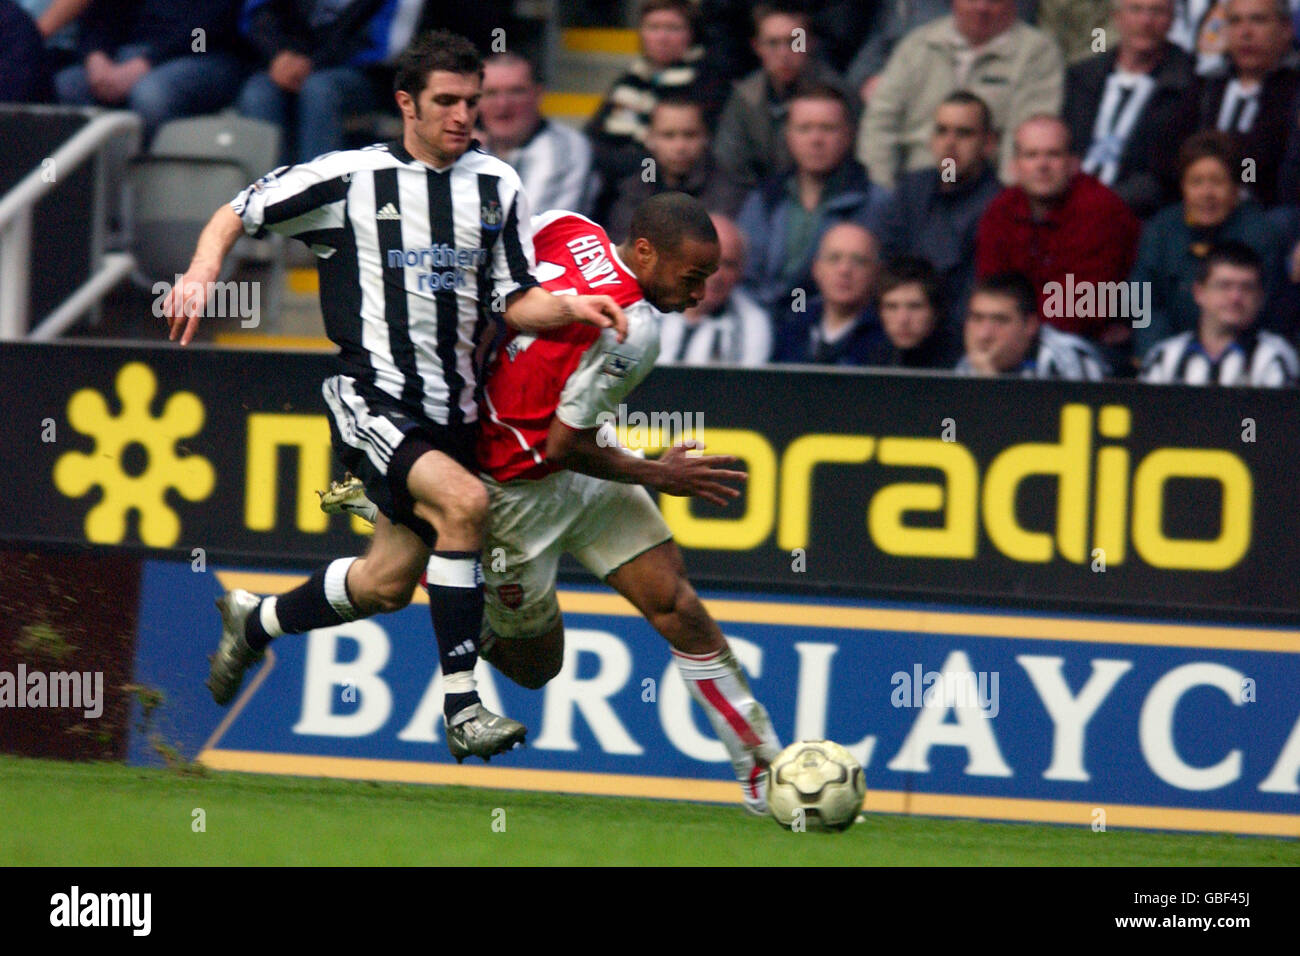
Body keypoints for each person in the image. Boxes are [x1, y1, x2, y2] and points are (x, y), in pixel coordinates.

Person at [161, 31, 630, 763]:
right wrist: (199, 270)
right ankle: (464, 706)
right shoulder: (348, 178)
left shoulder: (497, 186)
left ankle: (254, 622)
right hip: (371, 396)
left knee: (385, 584)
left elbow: (516, 300)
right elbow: (238, 210)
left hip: (457, 414)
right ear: (406, 103)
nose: (462, 116)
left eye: (472, 102)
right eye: (446, 101)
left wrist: (571, 307)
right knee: (465, 505)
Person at [325, 194, 783, 812]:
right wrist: (660, 474)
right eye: (693, 277)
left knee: (677, 605)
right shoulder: (636, 329)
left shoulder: (570, 228)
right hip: (516, 496)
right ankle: (449, 562)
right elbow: (563, 444)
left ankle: (763, 772)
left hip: (580, 467)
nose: (700, 294)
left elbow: (492, 278)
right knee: (537, 668)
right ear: (645, 251)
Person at [858, 0, 1064, 189]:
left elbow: (1028, 138)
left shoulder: (1038, 53)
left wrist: (1004, 200)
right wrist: (882, 187)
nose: (982, 7)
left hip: (986, 188)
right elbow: (880, 123)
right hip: (912, 182)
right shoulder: (917, 44)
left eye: (993, 0)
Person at [976, 116, 1142, 347]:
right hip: (1012, 337)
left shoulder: (1103, 210)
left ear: (1074, 163)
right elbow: (992, 289)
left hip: (1088, 342)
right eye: (1031, 155)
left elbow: (1084, 307)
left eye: (1053, 154)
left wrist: (1016, 324)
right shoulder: (1000, 210)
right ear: (1014, 166)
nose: (1042, 165)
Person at [737, 83, 890, 313]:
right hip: (763, 322)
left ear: (849, 135)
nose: (816, 139)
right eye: (804, 129)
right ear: (788, 135)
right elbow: (743, 274)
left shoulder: (878, 203)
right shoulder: (764, 199)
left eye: (828, 128)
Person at [1130, 129, 1284, 356]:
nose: (1206, 193)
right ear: (1182, 186)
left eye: (1217, 182)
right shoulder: (1160, 230)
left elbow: (1263, 311)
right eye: (1196, 182)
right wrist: (1156, 354)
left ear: (1235, 188)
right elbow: (1142, 301)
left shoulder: (1260, 235)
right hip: (1167, 360)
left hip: (1239, 358)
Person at [237, 0, 423, 166]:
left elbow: (391, 44)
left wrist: (312, 64)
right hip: (287, 61)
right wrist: (278, 54)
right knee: (258, 92)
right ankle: (261, 194)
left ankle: (317, 193)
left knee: (320, 91)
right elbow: (259, 13)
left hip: (367, 74)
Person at [877, 91, 1002, 327]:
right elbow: (887, 268)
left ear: (988, 143)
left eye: (964, 133)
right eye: (942, 131)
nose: (950, 143)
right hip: (901, 328)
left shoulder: (1000, 206)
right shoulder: (910, 190)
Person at [1064, 0, 1199, 218]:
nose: (1146, 21)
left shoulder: (1189, 85)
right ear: (1117, 17)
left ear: (1172, 21)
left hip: (1138, 215)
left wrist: (1100, 204)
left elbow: (1164, 175)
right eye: (1136, 9)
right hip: (1068, 201)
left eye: (1157, 11)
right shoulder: (1082, 77)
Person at [712, 2, 858, 192]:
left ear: (810, 43)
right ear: (757, 47)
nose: (784, 54)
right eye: (773, 43)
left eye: (794, 42)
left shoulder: (839, 95)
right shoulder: (745, 97)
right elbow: (730, 164)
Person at [54, 0, 247, 141]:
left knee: (151, 95)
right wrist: (96, 56)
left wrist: (146, 64)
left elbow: (210, 29)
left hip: (205, 54)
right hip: (129, 52)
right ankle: (79, 189)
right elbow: (100, 16)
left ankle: (145, 186)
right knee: (66, 86)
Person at [585, 0, 723, 195]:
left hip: (663, 183)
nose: (662, 37)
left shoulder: (707, 82)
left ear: (691, 34)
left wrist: (625, 163)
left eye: (673, 28)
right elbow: (593, 135)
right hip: (613, 177)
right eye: (653, 27)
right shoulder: (630, 79)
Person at [1141, 241, 1299, 384]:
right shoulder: (1165, 357)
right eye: (1224, 285)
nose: (1235, 297)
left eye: (1247, 287)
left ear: (1260, 297)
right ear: (1199, 293)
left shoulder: (1274, 357)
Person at [1195, 0, 1300, 208]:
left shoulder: (1292, 92)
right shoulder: (1205, 88)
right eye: (1235, 21)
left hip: (1265, 211)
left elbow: (1265, 167)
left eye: (1258, 20)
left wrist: (1243, 181)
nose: (1245, 33)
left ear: (1286, 29)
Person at [605, 96, 746, 243]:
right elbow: (622, 246)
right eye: (668, 135)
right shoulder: (634, 189)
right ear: (649, 139)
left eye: (690, 135)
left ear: (706, 138)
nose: (680, 147)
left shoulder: (727, 190)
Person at [478, 51, 595, 215]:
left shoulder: (565, 148)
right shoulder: (468, 149)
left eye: (516, 91)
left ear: (538, 93)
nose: (502, 104)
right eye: (490, 93)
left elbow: (535, 228)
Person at [657, 214, 772, 366]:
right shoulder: (634, 307)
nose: (715, 275)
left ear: (741, 271)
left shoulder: (752, 324)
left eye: (728, 264)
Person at [957, 272, 1111, 378]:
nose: (984, 334)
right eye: (977, 318)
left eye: (1000, 320)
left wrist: (987, 383)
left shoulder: (1067, 359)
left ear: (1030, 325)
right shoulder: (969, 363)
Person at [771, 222, 885, 365]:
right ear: (816, 269)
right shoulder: (791, 329)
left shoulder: (889, 335)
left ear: (876, 272)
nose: (844, 270)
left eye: (858, 261)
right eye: (834, 258)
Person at [869, 256, 963, 369]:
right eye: (891, 307)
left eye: (914, 307)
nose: (903, 319)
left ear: (936, 312)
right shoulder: (874, 360)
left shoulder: (962, 363)